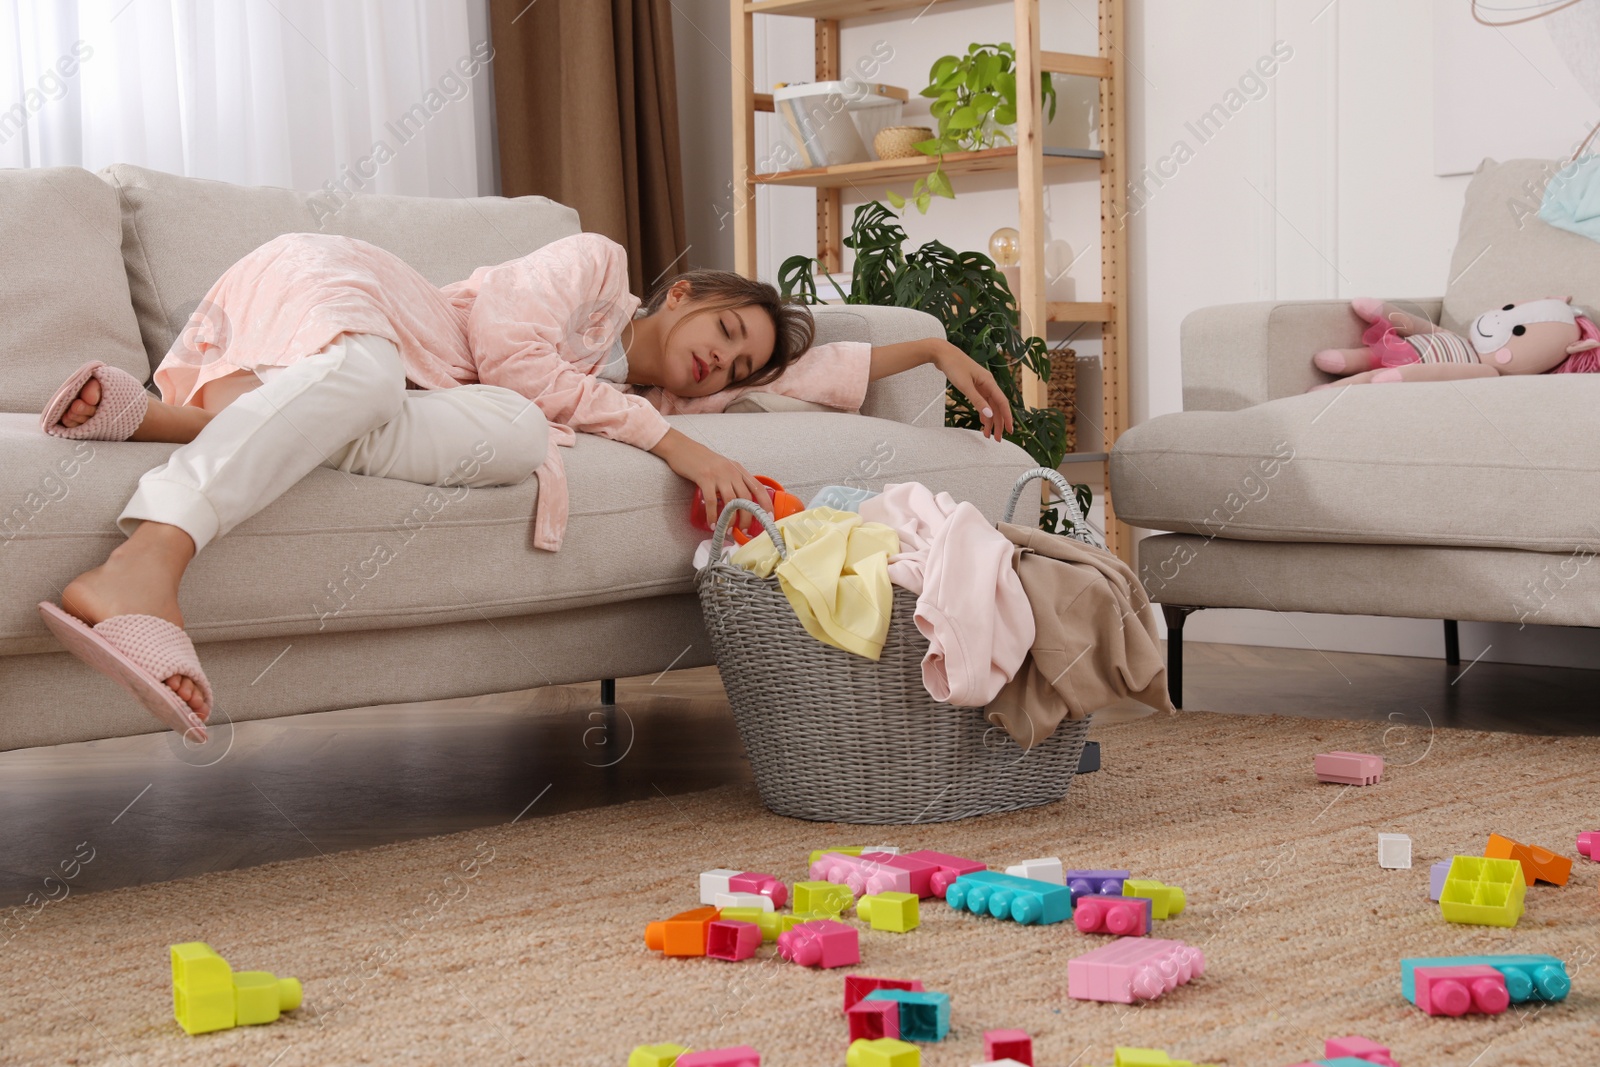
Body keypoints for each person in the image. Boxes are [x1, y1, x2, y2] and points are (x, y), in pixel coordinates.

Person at [36, 231, 1015, 740]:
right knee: (387, 380)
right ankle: (146, 559)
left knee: (508, 435)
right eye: (722, 332)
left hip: (357, 383)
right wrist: (674, 447)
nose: (721, 363)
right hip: (343, 295)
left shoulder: (634, 392)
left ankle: (168, 420)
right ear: (681, 296)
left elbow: (810, 375)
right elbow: (504, 347)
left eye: (738, 365)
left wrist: (928, 345)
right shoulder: (594, 269)